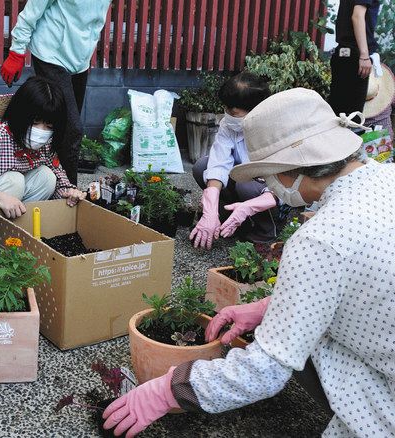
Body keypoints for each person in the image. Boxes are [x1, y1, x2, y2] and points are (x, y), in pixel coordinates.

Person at [102, 88, 395, 437]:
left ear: (289, 170)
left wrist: (168, 390)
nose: (268, 184)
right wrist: (268, 307)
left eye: (267, 175)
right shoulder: (385, 177)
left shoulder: (320, 239)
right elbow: (362, 281)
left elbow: (265, 371)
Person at [0, 0, 113, 184]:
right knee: (72, 130)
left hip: (79, 61)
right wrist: (17, 52)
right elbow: (30, 14)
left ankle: (47, 179)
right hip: (50, 51)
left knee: (60, 129)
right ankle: (68, 193)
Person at [190, 72, 276, 249]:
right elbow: (218, 162)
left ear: (255, 110)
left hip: (274, 193)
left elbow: (286, 184)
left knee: (245, 184)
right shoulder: (229, 125)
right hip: (244, 182)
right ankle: (226, 219)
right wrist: (210, 208)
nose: (227, 114)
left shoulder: (275, 130)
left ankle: (267, 230)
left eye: (233, 111)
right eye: (226, 109)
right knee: (202, 166)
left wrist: (250, 207)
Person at [0, 76, 86, 219]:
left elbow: (56, 170)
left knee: (47, 177)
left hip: (9, 199)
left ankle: (17, 224)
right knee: (15, 181)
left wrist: (68, 191)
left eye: (49, 126)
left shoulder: (47, 142)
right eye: (35, 121)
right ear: (20, 114)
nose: (41, 131)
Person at [328, 0, 381, 117]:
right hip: (354, 57)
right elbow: (357, 16)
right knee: (352, 118)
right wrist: (364, 56)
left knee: (337, 114)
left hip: (344, 53)